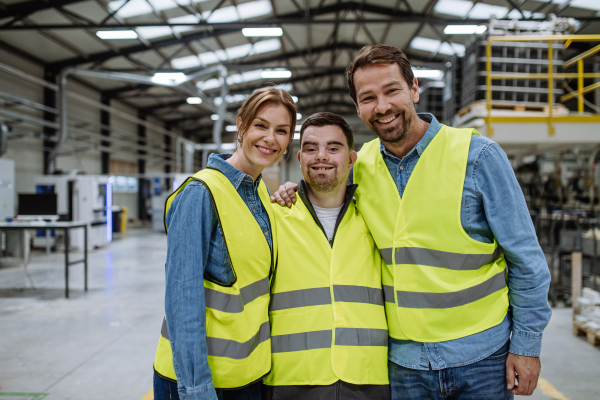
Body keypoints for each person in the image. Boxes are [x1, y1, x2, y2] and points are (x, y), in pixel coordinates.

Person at [272, 45, 552, 399]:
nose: (383, 106)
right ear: (358, 108)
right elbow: (323, 183)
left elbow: (527, 260)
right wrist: (289, 190)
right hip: (404, 365)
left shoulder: (477, 157)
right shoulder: (361, 165)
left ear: (414, 89)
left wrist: (527, 346)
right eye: (368, 97)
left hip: (481, 357)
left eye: (392, 90)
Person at [153, 87, 297, 400]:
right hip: (200, 384)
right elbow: (183, 301)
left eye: (281, 131)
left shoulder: (259, 193)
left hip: (247, 375)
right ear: (241, 126)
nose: (270, 138)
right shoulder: (201, 193)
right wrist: (196, 389)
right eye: (261, 125)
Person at [263, 112, 390, 400]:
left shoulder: (375, 218)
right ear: (299, 158)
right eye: (311, 148)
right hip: (291, 381)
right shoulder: (274, 217)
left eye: (333, 148)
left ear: (351, 159)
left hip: (367, 379)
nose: (321, 156)